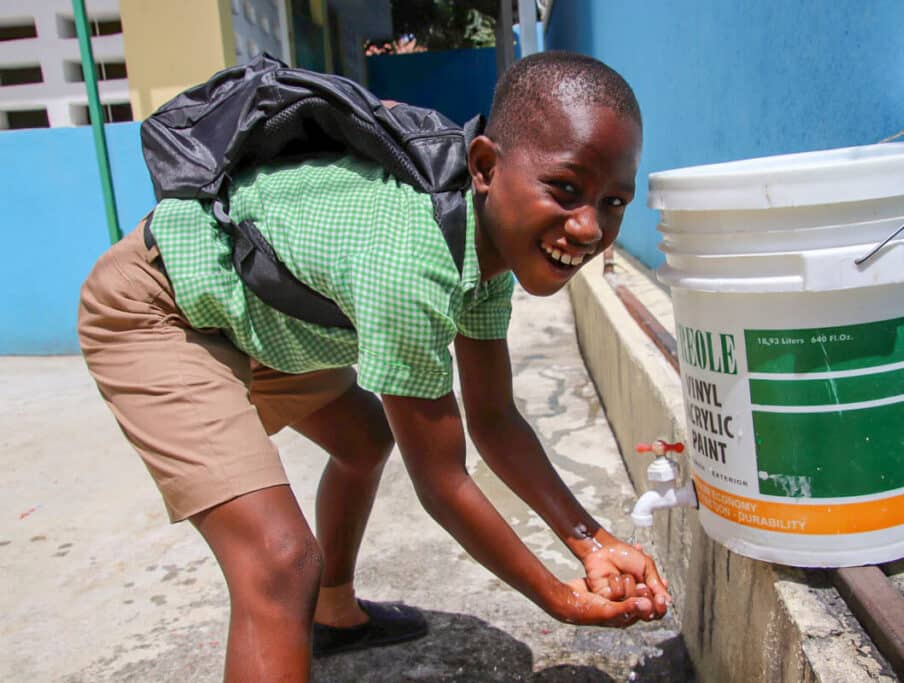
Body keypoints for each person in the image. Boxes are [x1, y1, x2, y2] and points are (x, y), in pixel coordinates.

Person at [78, 50, 668, 681]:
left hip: (253, 315)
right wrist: (556, 597)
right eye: (567, 188)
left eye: (614, 202)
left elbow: (494, 421)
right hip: (160, 309)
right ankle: (308, 599)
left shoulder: (489, 244)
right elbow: (442, 481)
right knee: (277, 561)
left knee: (363, 439)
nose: (587, 226)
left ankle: (334, 613)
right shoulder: (411, 264)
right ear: (487, 166)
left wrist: (593, 540)